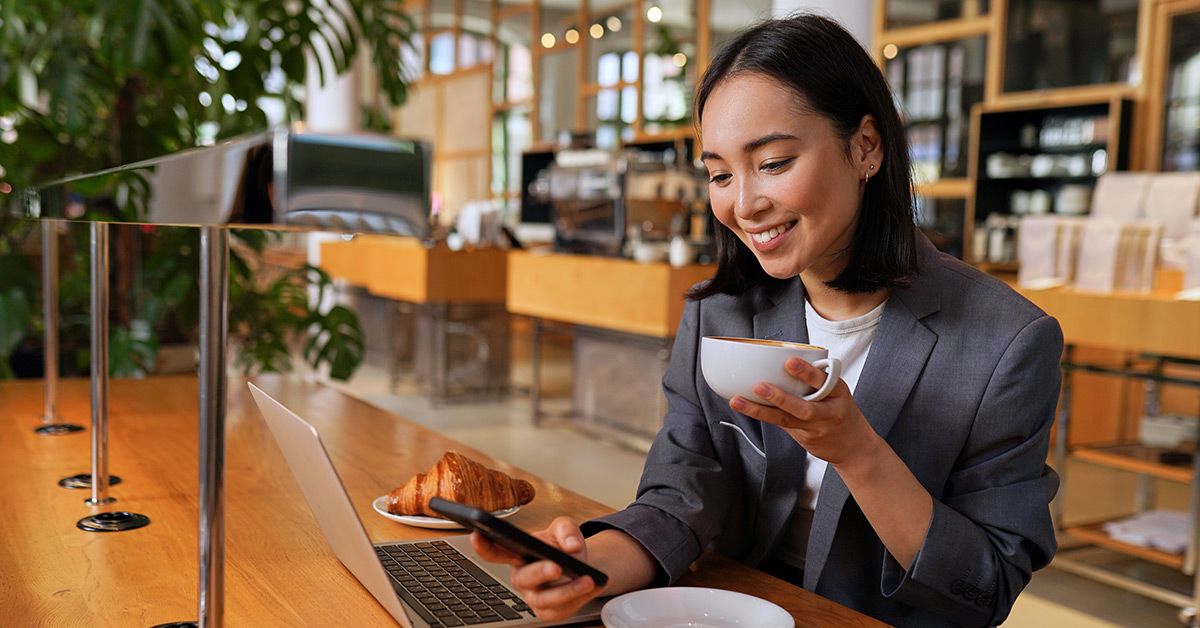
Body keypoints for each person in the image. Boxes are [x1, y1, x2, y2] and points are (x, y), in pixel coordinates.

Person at [473, 13, 1062, 627]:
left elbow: (987, 586)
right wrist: (589, 565)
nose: (745, 204)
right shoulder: (717, 312)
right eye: (720, 174)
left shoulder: (1005, 342)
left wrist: (857, 453)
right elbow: (682, 496)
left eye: (774, 162)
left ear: (865, 147)